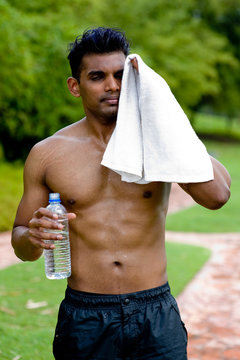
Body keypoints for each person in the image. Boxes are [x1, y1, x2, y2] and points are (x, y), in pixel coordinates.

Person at [11, 27, 231, 360]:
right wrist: (34, 236)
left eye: (120, 75)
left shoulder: (159, 143)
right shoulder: (48, 154)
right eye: (97, 76)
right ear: (75, 86)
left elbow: (216, 196)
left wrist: (165, 116)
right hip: (85, 316)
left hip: (155, 313)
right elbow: (21, 243)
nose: (112, 86)